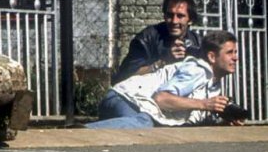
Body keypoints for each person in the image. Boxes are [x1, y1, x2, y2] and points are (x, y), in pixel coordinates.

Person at [87, 30, 241, 129]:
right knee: (145, 123)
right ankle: (81, 131)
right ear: (212, 57)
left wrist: (223, 123)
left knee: (149, 127)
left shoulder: (213, 85)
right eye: (230, 53)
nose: (236, 58)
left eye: (235, 52)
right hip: (123, 98)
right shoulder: (198, 71)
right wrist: (204, 104)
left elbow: (192, 121)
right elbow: (161, 99)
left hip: (132, 105)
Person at [112, 0, 203, 84]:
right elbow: (124, 76)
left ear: (190, 20)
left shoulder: (197, 42)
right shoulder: (147, 38)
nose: (174, 21)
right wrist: (162, 61)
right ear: (164, 16)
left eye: (180, 16)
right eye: (170, 15)